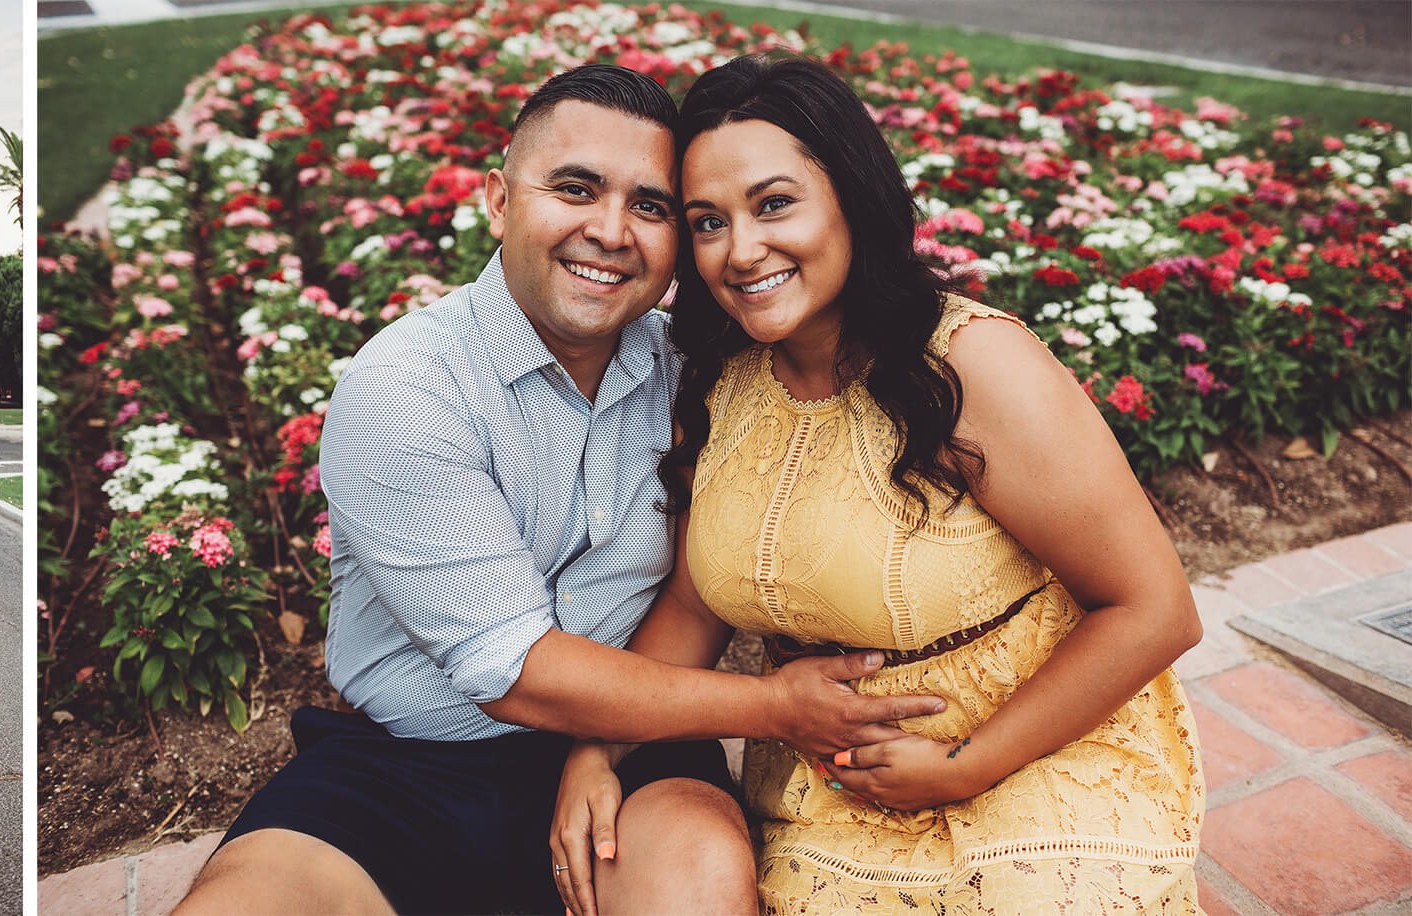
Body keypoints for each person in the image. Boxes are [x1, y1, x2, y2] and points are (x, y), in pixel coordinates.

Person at [175, 64, 945, 916]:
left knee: (697, 883)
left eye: (650, 206)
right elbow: (513, 671)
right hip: (411, 765)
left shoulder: (699, 373)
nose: (611, 231)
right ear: (501, 201)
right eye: (576, 188)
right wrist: (774, 708)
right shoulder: (406, 387)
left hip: (633, 749)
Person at [552, 54, 1205, 913]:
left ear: (852, 197)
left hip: (1038, 749)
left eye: (774, 204)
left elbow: (1154, 608)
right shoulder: (717, 380)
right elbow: (691, 605)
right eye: (708, 222)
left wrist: (966, 766)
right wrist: (596, 754)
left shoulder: (970, 365)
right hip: (834, 789)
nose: (741, 252)